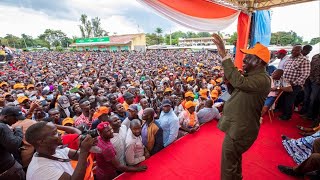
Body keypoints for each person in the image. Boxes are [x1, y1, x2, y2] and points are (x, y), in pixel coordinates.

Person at [212, 34, 271, 180]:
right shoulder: (252, 77)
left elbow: (240, 84)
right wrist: (229, 84)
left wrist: (224, 55)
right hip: (239, 127)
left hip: (241, 130)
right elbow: (236, 92)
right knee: (234, 159)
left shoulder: (262, 79)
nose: (244, 60)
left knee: (228, 163)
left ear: (258, 61)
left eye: (249, 57)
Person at [25, 121, 95, 180]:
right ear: (41, 142)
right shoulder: (41, 169)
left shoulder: (56, 149)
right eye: (55, 133)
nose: (60, 133)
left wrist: (88, 145)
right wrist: (84, 150)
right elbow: (83, 154)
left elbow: (80, 156)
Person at [280, 45, 311, 120]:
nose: (294, 52)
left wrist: (294, 82)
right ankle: (284, 113)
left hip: (295, 85)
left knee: (289, 100)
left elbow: (305, 74)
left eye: (296, 50)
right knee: (285, 99)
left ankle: (287, 116)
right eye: (293, 50)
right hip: (285, 83)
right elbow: (285, 69)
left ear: (301, 51)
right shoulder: (289, 58)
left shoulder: (304, 60)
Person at [0, 106, 25, 180]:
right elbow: (14, 145)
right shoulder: (2, 127)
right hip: (8, 170)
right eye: (15, 118)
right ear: (5, 117)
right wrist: (19, 131)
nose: (16, 121)